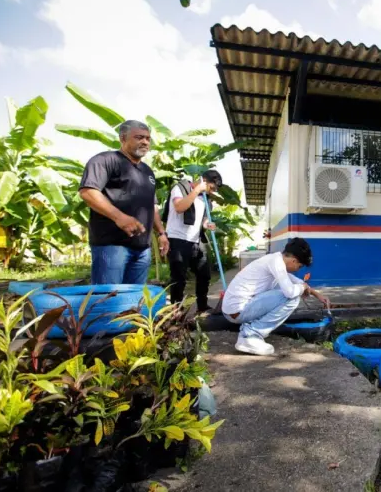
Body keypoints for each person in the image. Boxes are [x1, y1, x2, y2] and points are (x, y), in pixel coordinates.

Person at [79, 120, 169, 285]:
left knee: (133, 302)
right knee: (108, 299)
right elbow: (88, 192)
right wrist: (119, 217)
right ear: (123, 138)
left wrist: (162, 233)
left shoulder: (147, 171)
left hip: (142, 248)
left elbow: (152, 205)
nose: (145, 142)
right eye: (139, 137)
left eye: (148, 138)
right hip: (111, 246)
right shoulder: (105, 160)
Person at [222, 238, 331, 356]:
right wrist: (302, 288)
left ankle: (250, 331)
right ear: (294, 261)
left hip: (236, 310)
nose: (297, 270)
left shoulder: (275, 260)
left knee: (286, 288)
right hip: (238, 311)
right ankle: (250, 335)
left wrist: (316, 294)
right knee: (292, 297)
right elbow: (290, 292)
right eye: (299, 267)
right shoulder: (276, 263)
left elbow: (296, 281)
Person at [165, 169, 222, 313]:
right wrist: (197, 190)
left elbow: (203, 221)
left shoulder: (206, 199)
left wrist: (208, 224)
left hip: (196, 241)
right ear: (203, 180)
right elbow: (179, 207)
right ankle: (176, 310)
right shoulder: (180, 188)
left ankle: (202, 306)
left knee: (204, 275)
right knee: (179, 277)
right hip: (178, 239)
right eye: (211, 188)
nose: (211, 192)